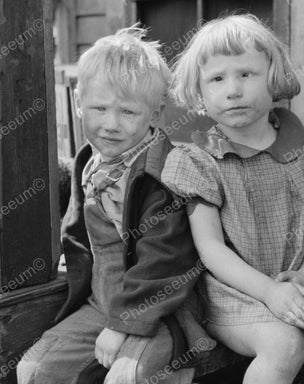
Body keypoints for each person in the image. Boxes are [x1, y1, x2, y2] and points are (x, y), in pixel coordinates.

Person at [17, 25, 215, 384]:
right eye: (99, 108)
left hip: (160, 309)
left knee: (126, 377)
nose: (110, 124)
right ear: (78, 104)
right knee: (33, 371)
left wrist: (124, 324)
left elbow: (165, 258)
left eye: (127, 112)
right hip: (100, 302)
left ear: (154, 115)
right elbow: (79, 230)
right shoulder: (89, 163)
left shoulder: (161, 174)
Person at [161, 14, 304, 384]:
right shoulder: (199, 160)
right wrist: (269, 292)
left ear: (273, 76)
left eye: (246, 74)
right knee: (285, 344)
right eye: (217, 78)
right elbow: (211, 248)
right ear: (199, 92)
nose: (232, 90)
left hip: (298, 283)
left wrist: (302, 278)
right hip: (233, 296)